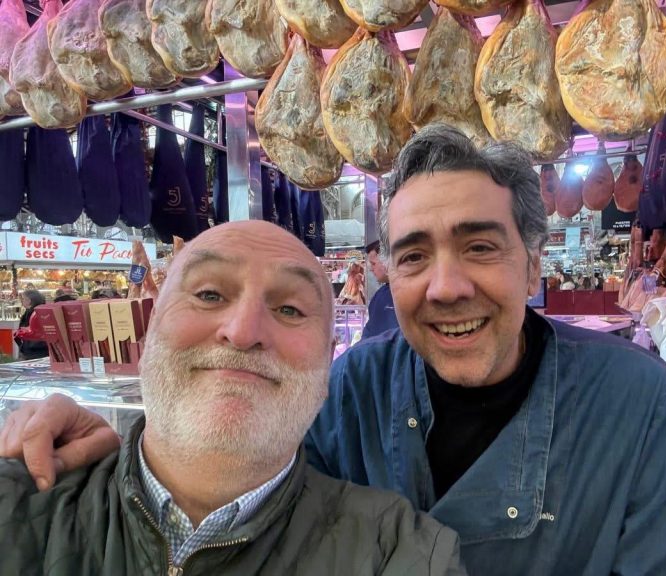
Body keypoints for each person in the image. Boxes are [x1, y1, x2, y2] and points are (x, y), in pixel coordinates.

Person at [0, 126, 666, 575]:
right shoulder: (349, 387)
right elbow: (240, 493)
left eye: (480, 247)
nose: (446, 286)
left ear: (533, 267)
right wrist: (121, 448)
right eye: (413, 256)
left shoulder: (639, 403)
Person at [0, 221, 463, 575]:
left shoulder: (403, 554)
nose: (242, 332)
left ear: (328, 361)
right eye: (208, 294)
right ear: (150, 327)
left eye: (289, 308)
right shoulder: (17, 505)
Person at [361, 240, 399, 340]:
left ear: (387, 261)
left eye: (373, 264)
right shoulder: (380, 295)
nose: (371, 269)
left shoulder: (404, 294)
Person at [13, 289, 48, 360]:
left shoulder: (31, 313)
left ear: (29, 300)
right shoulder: (43, 311)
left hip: (32, 351)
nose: (22, 301)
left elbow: (27, 331)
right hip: (42, 349)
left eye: (23, 299)